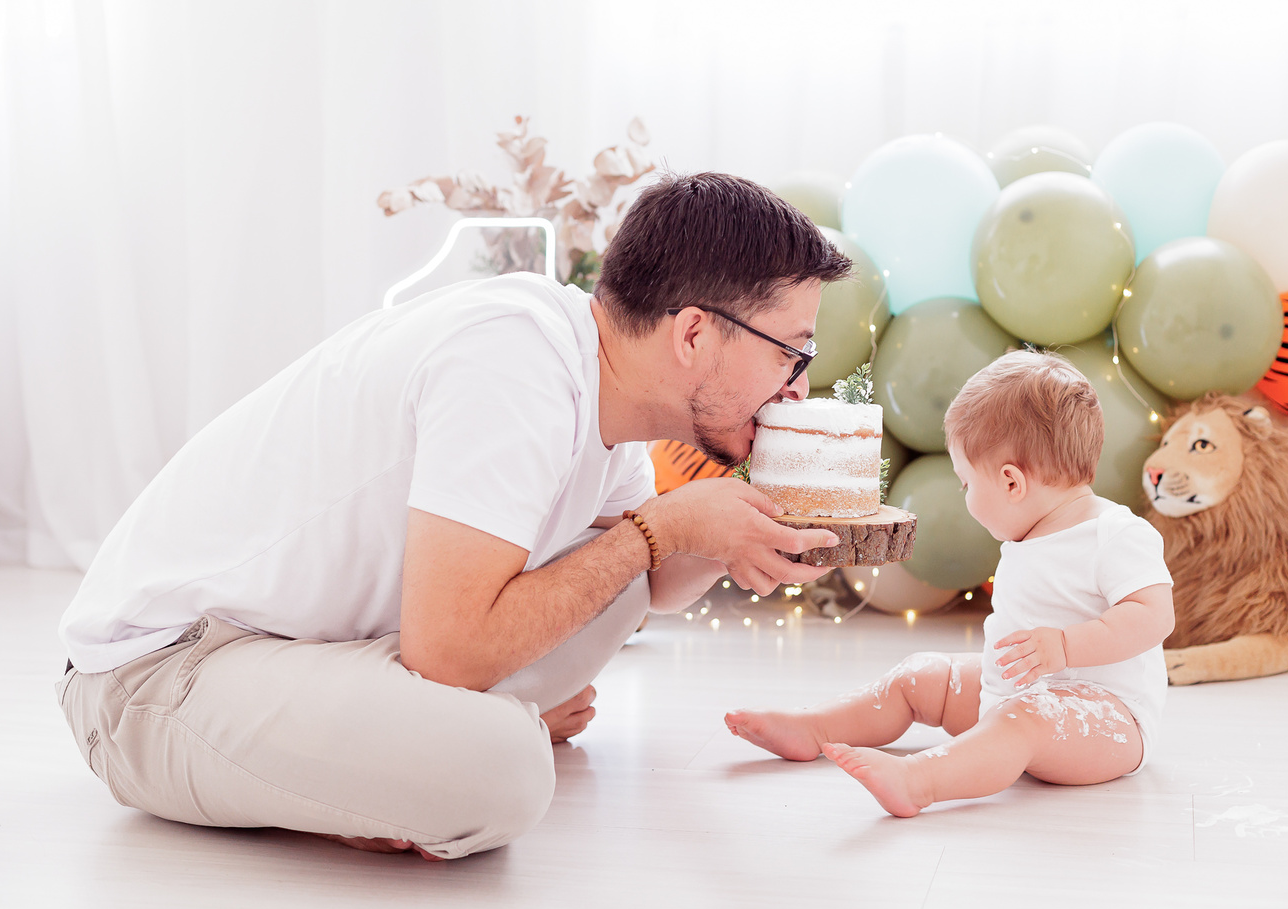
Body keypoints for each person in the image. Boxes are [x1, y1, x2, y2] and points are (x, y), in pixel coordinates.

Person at [56, 172, 852, 859]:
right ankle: (404, 768)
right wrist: (665, 528)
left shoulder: (606, 391)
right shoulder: (515, 363)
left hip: (306, 652)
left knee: (618, 580)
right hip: (158, 680)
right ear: (693, 334)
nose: (798, 387)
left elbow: (656, 584)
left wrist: (731, 528)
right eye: (791, 352)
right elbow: (448, 652)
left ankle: (403, 751)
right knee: (504, 771)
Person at [724, 350, 1175, 817]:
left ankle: (918, 781)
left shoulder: (1115, 533)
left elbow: (1155, 615)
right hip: (1016, 694)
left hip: (1108, 720)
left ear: (1012, 483)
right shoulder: (1033, 530)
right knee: (921, 676)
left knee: (1023, 720)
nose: (964, 496)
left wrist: (1064, 646)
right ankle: (814, 728)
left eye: (966, 484)